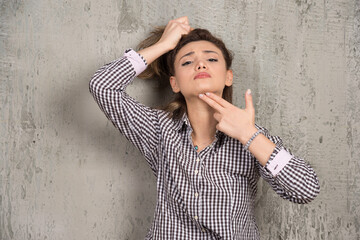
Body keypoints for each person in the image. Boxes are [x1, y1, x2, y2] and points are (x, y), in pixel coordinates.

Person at [89, 16, 320, 240]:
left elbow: (307, 189)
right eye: (187, 61)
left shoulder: (252, 136)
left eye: (211, 59)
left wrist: (249, 135)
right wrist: (163, 45)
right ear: (175, 83)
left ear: (228, 77)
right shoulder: (158, 130)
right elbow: (102, 85)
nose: (200, 63)